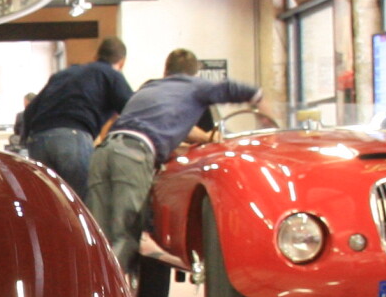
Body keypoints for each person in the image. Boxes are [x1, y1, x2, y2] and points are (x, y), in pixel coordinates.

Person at [87, 49, 260, 276]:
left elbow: (171, 124)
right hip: (132, 155)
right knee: (126, 234)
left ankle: (91, 286)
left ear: (166, 71)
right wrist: (259, 97)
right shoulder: (194, 86)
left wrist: (201, 137)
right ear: (194, 73)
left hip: (103, 152)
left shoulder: (150, 87)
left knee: (99, 233)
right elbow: (230, 89)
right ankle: (108, 290)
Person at [16, 37, 133, 208]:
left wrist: (25, 142)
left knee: (49, 204)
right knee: (80, 205)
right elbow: (131, 110)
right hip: (72, 138)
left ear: (95, 56)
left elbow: (30, 110)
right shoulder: (110, 74)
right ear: (121, 62)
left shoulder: (63, 74)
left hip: (38, 139)